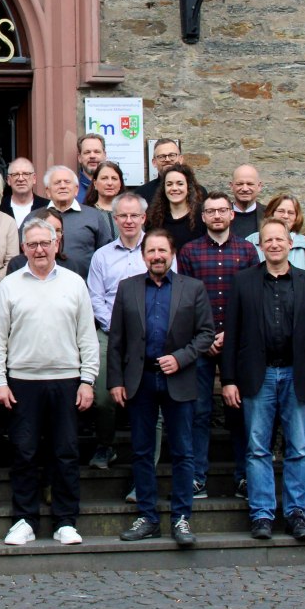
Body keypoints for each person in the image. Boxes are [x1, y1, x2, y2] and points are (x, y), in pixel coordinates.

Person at [0, 218, 99, 547]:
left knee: (65, 452)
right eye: (32, 244)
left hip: (67, 380)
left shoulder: (74, 283)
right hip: (22, 381)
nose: (39, 249)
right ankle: (24, 519)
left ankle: (66, 521)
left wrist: (88, 380)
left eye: (44, 243)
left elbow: (88, 337)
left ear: (56, 245)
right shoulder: (10, 284)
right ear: (23, 248)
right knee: (24, 452)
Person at [221, 218, 305, 541]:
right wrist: (228, 379)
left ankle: (296, 513)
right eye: (267, 240)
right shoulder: (243, 282)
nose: (273, 245)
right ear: (260, 246)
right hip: (259, 376)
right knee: (257, 449)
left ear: (290, 244)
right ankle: (262, 514)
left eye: (279, 240)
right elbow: (233, 336)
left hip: (297, 376)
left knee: (298, 448)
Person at [109, 229, 214, 548]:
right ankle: (148, 517)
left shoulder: (192, 289)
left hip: (178, 378)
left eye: (162, 251)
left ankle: (182, 518)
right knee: (141, 451)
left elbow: (206, 333)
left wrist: (180, 359)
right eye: (151, 251)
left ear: (172, 254)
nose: (157, 256)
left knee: (183, 452)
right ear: (143, 256)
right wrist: (115, 380)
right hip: (140, 380)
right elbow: (116, 341)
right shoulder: (128, 289)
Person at [176, 192, 260, 501]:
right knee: (198, 411)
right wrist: (207, 336)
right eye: (210, 211)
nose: (217, 216)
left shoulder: (248, 251)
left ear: (232, 214)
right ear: (202, 217)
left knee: (239, 412)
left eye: (222, 210)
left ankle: (243, 477)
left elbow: (253, 298)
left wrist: (229, 334)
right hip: (200, 342)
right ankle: (197, 476)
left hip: (237, 343)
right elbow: (184, 300)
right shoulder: (189, 252)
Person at [85, 192, 151, 471]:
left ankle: (143, 457)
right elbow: (95, 297)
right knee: (102, 396)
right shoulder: (102, 255)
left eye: (134, 215)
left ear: (143, 218)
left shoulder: (157, 249)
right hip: (109, 332)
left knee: (146, 397)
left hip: (149, 335)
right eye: (122, 215)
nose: (128, 221)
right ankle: (105, 445)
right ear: (114, 218)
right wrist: (116, 326)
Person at [28, 165, 112, 279]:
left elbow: (106, 254)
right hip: (40, 286)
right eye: (57, 182)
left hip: (86, 288)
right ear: (47, 191)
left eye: (67, 182)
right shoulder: (33, 218)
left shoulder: (94, 216)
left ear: (76, 189)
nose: (63, 186)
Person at [246, 194, 305, 275]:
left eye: (291, 213)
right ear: (271, 213)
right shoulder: (251, 241)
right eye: (281, 211)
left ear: (296, 218)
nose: (285, 216)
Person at [146, 164, 206, 250]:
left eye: (180, 184)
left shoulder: (201, 216)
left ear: (188, 187)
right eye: (169, 184)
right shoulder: (154, 218)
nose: (174, 188)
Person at [0, 157, 48, 227]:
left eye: (26, 174)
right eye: (15, 174)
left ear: (34, 178)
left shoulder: (47, 207)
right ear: (8, 180)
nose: (21, 179)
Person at [135, 138, 186, 204]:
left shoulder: (198, 191)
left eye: (172, 155)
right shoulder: (142, 194)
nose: (167, 159)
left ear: (180, 159)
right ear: (154, 162)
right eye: (161, 156)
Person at [83, 159, 126, 228]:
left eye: (114, 178)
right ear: (95, 183)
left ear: (120, 183)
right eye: (104, 178)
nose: (110, 183)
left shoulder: (130, 211)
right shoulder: (85, 213)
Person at [229, 164, 263, 239]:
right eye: (239, 184)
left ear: (259, 186)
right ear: (231, 186)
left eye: (250, 184)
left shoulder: (269, 214)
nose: (245, 189)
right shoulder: (221, 214)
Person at [76, 132, 107, 200]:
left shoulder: (115, 191)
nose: (92, 156)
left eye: (97, 152)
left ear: (104, 155)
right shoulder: (72, 193)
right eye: (87, 152)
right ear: (79, 158)